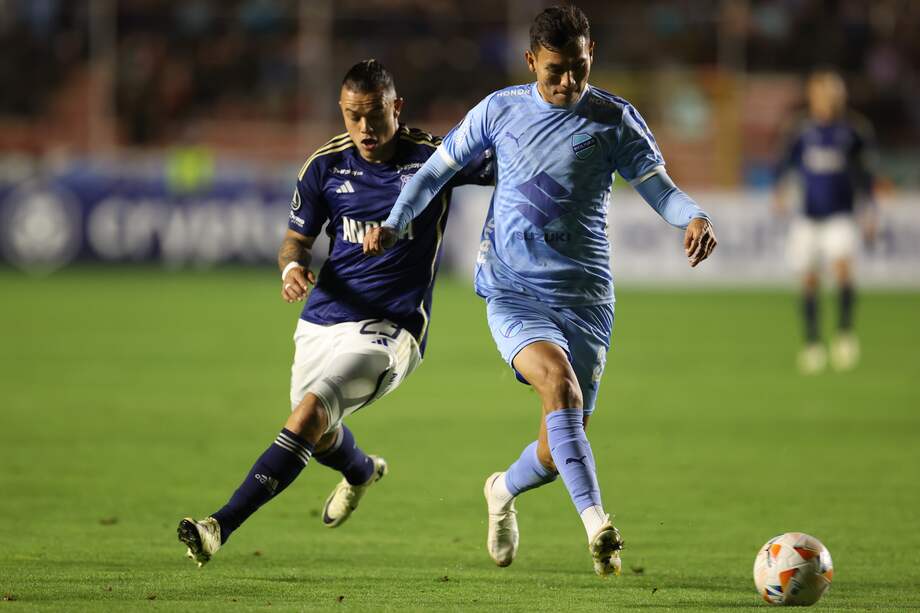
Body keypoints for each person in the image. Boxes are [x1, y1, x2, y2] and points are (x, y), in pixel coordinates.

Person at [364, 5, 716, 577]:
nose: (567, 81)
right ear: (531, 61)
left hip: (587, 301)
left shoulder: (614, 120)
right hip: (513, 289)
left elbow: (661, 189)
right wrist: (399, 220)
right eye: (555, 70)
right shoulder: (500, 111)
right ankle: (598, 525)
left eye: (577, 68)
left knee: (556, 448)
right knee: (558, 383)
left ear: (591, 55)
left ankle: (501, 488)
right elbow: (435, 170)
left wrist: (693, 217)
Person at [177, 59, 493, 567]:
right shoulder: (325, 166)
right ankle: (362, 470)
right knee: (318, 432)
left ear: (397, 107)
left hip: (392, 329)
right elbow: (294, 243)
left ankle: (219, 526)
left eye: (374, 115)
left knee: (307, 415)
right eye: (352, 116)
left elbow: (512, 161)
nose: (364, 129)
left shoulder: (435, 158)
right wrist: (291, 270)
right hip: (324, 318)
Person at [774, 70, 877, 374]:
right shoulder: (801, 130)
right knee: (808, 281)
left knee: (843, 271)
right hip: (807, 217)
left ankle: (844, 333)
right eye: (820, 91)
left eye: (831, 91)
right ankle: (813, 343)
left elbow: (866, 176)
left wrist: (869, 210)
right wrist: (780, 191)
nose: (826, 97)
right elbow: (785, 163)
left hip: (840, 216)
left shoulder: (853, 131)